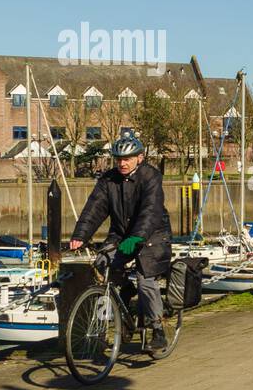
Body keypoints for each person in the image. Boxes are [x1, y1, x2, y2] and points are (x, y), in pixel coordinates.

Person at [68, 133, 174, 351]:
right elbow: (94, 208)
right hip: (122, 235)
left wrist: (137, 237)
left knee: (146, 281)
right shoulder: (108, 180)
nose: (122, 163)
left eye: (127, 159)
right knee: (101, 263)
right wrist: (80, 235)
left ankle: (158, 329)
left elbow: (151, 211)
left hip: (152, 236)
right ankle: (125, 291)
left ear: (140, 158)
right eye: (118, 159)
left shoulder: (151, 177)